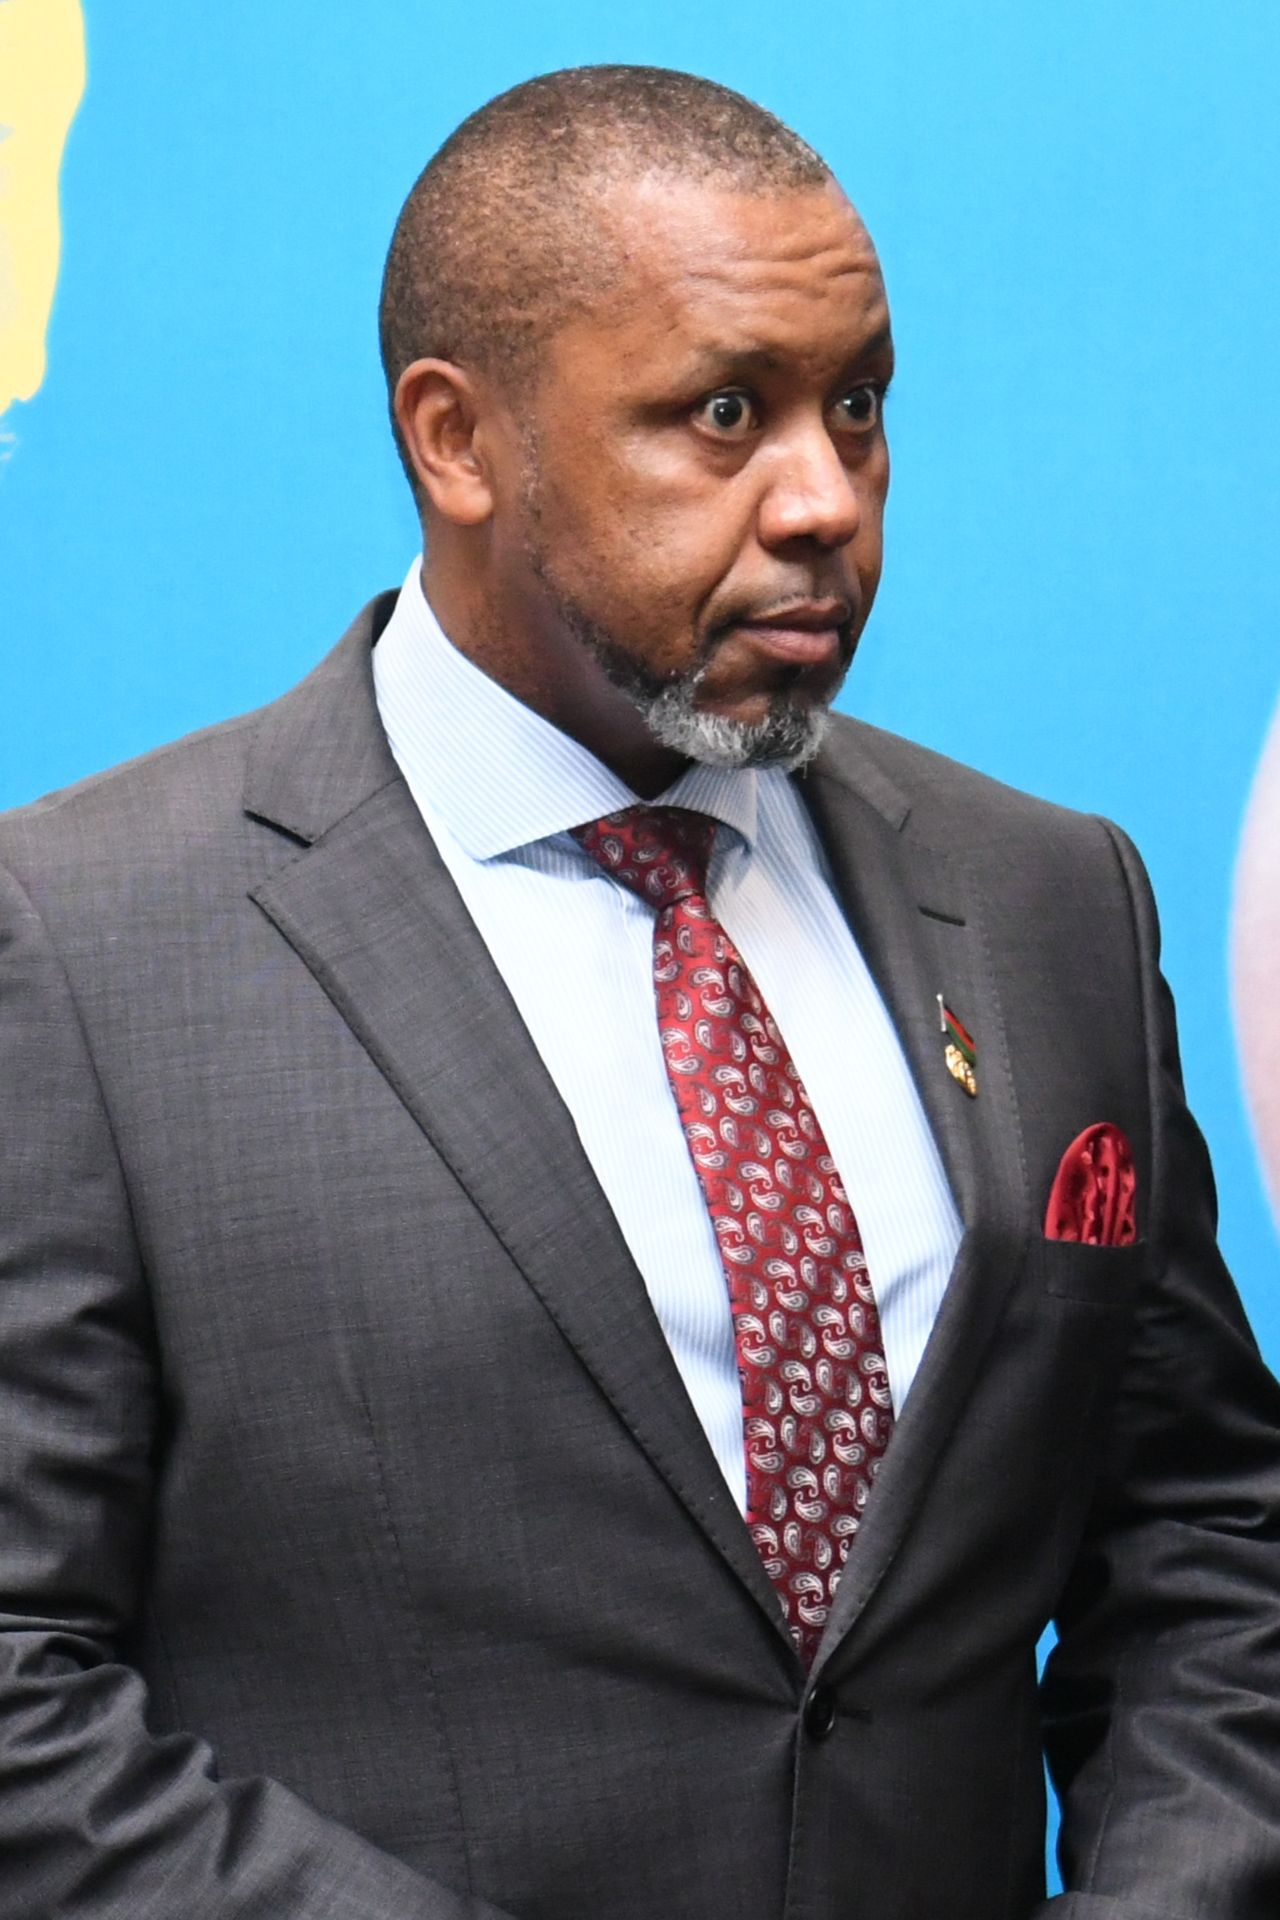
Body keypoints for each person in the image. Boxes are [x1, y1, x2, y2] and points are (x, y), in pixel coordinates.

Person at [1, 63, 1278, 1920]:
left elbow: (1205, 1543)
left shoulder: (1050, 896)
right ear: (458, 440)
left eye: (858, 407)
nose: (825, 499)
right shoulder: (79, 941)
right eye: (723, 415)